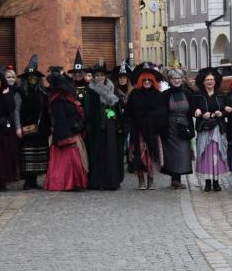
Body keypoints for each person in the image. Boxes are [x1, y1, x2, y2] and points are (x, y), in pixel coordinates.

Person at [44, 67, 88, 191]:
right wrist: (66, 136)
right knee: (68, 161)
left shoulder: (67, 97)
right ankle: (69, 183)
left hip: (72, 132)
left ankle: (74, 183)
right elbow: (60, 120)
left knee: (74, 160)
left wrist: (78, 124)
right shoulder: (56, 100)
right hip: (64, 136)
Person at [125, 63, 167, 189]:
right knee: (138, 155)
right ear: (140, 81)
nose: (147, 82)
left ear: (153, 81)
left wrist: (153, 120)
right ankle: (141, 181)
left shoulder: (158, 95)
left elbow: (162, 112)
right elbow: (128, 112)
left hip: (153, 130)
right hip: (137, 130)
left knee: (151, 155)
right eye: (144, 80)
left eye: (149, 80)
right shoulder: (134, 95)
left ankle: (151, 180)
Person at [85, 62, 125, 190]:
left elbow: (117, 107)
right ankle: (98, 182)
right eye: (97, 75)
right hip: (96, 125)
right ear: (94, 77)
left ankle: (111, 181)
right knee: (98, 153)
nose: (99, 77)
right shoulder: (91, 90)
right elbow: (88, 109)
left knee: (111, 152)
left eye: (102, 75)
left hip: (110, 124)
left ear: (105, 77)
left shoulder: (112, 88)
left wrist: (116, 120)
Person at [193, 67, 232, 192]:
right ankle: (208, 182)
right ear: (203, 82)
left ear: (215, 81)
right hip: (204, 128)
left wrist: (222, 113)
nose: (209, 82)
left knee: (218, 155)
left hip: (217, 128)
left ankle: (216, 182)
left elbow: (229, 109)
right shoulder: (198, 95)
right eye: (207, 80)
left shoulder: (221, 94)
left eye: (212, 79)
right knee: (205, 155)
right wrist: (198, 113)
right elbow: (192, 110)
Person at [17, 56, 50, 190]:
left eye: (34, 77)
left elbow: (47, 110)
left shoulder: (43, 92)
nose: (32, 79)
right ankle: (27, 181)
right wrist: (18, 127)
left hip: (40, 130)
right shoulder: (20, 92)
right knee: (27, 155)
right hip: (26, 128)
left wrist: (47, 128)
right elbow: (16, 110)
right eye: (30, 77)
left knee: (38, 156)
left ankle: (34, 180)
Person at [161, 67, 194, 188]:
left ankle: (178, 176)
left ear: (182, 79)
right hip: (170, 126)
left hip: (183, 126)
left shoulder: (188, 94)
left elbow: (191, 111)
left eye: (178, 78)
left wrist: (191, 128)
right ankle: (175, 178)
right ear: (170, 80)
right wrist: (163, 128)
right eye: (174, 78)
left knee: (183, 152)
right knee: (171, 153)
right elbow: (162, 112)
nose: (176, 80)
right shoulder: (165, 94)